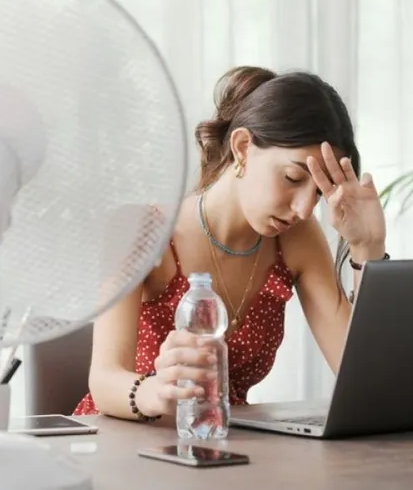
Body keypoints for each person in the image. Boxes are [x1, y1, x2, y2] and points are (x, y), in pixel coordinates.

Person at [72, 65, 387, 421]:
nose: (303, 208)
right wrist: (159, 391)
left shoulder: (296, 238)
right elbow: (104, 380)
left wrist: (367, 248)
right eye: (292, 177)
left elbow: (359, 375)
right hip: (129, 442)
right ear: (242, 148)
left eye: (317, 192)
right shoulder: (141, 229)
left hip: (225, 444)